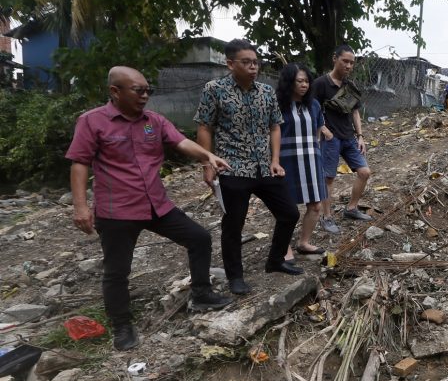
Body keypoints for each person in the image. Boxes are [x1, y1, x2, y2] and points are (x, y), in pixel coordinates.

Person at [66, 66, 232, 351]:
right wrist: (80, 206)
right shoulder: (92, 121)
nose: (145, 96)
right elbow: (79, 163)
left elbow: (181, 142)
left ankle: (202, 294)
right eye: (138, 90)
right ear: (115, 91)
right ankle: (122, 326)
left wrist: (207, 155)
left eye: (147, 91)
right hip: (116, 210)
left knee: (199, 238)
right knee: (117, 271)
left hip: (156, 204)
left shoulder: (153, 121)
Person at [195, 39, 302, 297]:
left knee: (289, 213)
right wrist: (207, 162)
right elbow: (204, 126)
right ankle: (236, 276)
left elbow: (275, 125)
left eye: (255, 62)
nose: (253, 67)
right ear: (230, 63)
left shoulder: (266, 92)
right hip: (232, 168)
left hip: (264, 167)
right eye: (246, 62)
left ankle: (275, 260)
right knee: (234, 225)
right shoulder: (215, 90)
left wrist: (275, 161)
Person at [312, 44, 373, 231]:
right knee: (328, 178)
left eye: (351, 63)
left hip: (349, 137)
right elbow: (311, 110)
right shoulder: (321, 84)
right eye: (345, 61)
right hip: (331, 139)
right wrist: (323, 129)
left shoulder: (349, 86)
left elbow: (355, 112)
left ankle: (351, 208)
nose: (348, 66)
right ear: (335, 59)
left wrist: (360, 136)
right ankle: (326, 217)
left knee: (364, 172)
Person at [276, 63, 332, 261]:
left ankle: (304, 242)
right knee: (287, 208)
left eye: (306, 81)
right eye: (299, 81)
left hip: (311, 159)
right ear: (289, 82)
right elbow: (271, 134)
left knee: (315, 205)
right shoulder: (278, 105)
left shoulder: (314, 105)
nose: (304, 85)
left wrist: (316, 152)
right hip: (286, 160)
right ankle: (283, 246)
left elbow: (318, 132)